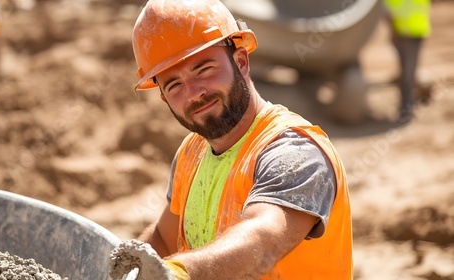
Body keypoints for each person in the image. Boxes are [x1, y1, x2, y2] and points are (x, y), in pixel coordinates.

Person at [128, 0, 353, 279]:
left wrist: (179, 274)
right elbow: (163, 239)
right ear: (164, 98)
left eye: (204, 69)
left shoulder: (295, 153)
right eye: (174, 85)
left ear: (241, 61)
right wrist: (130, 269)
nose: (195, 92)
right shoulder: (192, 152)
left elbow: (262, 241)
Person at [383, 0, 432, 122]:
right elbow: (388, 13)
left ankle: (407, 107)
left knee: (408, 73)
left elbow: (387, 13)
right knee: (407, 73)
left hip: (413, 33)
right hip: (404, 34)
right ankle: (406, 107)